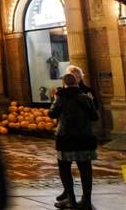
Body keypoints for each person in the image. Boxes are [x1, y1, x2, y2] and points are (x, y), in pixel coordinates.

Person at [50, 73, 99, 209]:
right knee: (85, 169)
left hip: (65, 137)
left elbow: (52, 114)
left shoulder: (60, 97)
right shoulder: (85, 97)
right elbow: (95, 117)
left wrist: (54, 99)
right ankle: (87, 201)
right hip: (84, 137)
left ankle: (71, 200)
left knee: (64, 168)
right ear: (76, 83)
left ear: (64, 83)